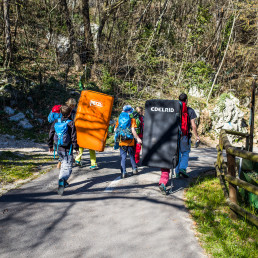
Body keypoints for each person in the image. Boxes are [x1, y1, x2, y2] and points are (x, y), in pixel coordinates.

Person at [159, 93, 200, 194]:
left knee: (176, 153)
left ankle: (176, 172)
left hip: (173, 136)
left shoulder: (173, 109)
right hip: (184, 136)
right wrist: (196, 136)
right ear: (186, 100)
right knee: (185, 152)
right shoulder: (190, 110)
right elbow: (193, 125)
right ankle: (182, 169)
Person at [48, 105, 79, 195]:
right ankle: (63, 179)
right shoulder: (71, 123)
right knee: (68, 167)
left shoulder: (56, 121)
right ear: (70, 113)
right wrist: (76, 148)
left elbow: (51, 133)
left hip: (58, 148)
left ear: (60, 113)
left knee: (63, 164)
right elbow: (74, 137)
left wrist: (50, 145)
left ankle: (63, 181)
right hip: (67, 149)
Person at [115, 105, 142, 178]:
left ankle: (123, 172)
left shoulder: (119, 119)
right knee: (131, 156)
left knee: (123, 157)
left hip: (122, 141)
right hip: (130, 141)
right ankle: (134, 169)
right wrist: (138, 138)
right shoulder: (132, 119)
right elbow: (133, 130)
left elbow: (115, 130)